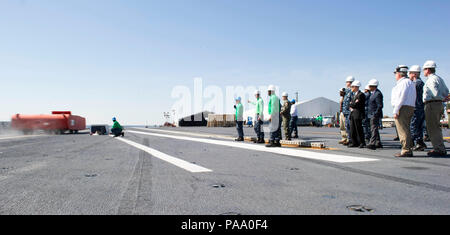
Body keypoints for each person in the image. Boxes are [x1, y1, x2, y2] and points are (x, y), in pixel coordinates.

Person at [422, 60, 450, 156]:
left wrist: (440, 98)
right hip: (439, 104)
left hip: (432, 104)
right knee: (436, 127)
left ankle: (438, 149)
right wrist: (443, 99)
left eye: (424, 69)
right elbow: (446, 92)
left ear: (428, 70)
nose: (423, 71)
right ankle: (440, 147)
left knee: (432, 128)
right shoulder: (439, 79)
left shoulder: (431, 80)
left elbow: (434, 93)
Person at [391, 65, 416, 157]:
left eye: (396, 73)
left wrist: (396, 110)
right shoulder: (410, 82)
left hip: (403, 107)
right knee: (406, 129)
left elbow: (401, 97)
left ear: (399, 74)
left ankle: (406, 150)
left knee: (402, 130)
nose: (395, 75)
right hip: (409, 107)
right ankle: (408, 148)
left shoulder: (403, 83)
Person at [409, 65, 427, 151]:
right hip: (420, 107)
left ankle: (418, 143)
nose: (409, 75)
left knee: (414, 126)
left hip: (416, 108)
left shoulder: (417, 83)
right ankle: (419, 143)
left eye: (410, 73)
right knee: (418, 126)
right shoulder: (421, 82)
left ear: (414, 74)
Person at [366, 79, 384, 150]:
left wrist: (375, 114)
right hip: (371, 114)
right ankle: (378, 142)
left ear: (374, 86)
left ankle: (372, 143)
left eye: (370, 86)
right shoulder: (373, 93)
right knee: (374, 128)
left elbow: (380, 105)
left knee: (373, 129)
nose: (369, 88)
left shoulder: (377, 94)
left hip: (375, 114)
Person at [348, 81, 366, 148]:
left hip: (358, 114)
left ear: (356, 87)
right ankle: (354, 142)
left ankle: (361, 142)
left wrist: (352, 104)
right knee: (352, 129)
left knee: (359, 129)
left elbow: (355, 104)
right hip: (353, 114)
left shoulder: (361, 95)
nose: (351, 88)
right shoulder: (354, 95)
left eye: (352, 86)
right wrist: (352, 104)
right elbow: (350, 104)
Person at [342, 76, 355, 145]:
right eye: (347, 82)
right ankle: (349, 139)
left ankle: (352, 140)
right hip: (345, 111)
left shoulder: (352, 91)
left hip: (350, 111)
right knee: (347, 126)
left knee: (351, 126)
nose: (347, 83)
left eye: (349, 82)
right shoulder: (346, 91)